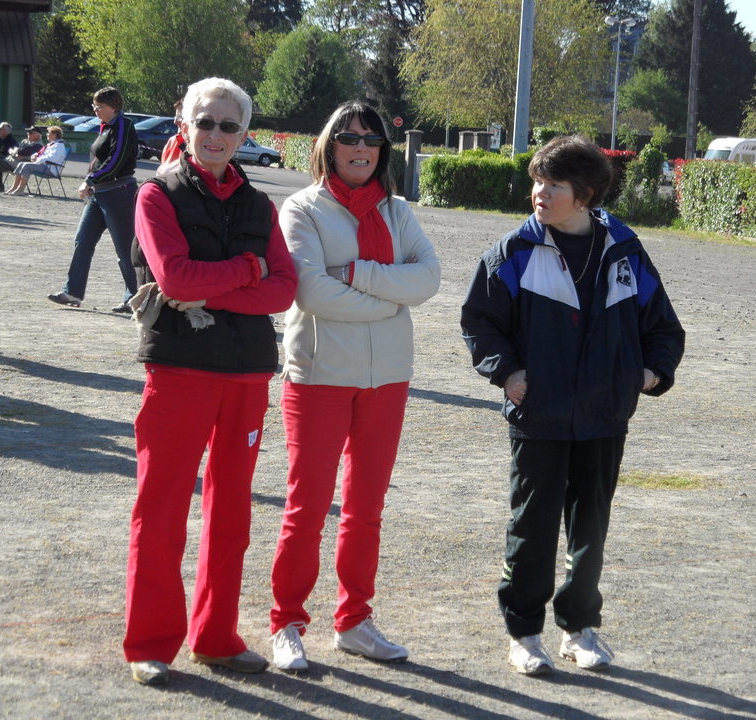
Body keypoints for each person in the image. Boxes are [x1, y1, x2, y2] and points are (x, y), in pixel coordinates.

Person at [460, 135, 685, 676]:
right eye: (538, 181)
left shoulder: (625, 249)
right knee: (530, 528)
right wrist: (508, 373)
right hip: (539, 416)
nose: (539, 192)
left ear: (583, 194)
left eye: (553, 184)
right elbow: (479, 323)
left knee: (590, 529)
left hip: (605, 417)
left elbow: (662, 325)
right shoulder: (513, 252)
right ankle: (524, 634)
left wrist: (650, 374)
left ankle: (579, 628)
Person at [123, 77, 297, 687]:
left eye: (229, 125)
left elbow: (286, 286)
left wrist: (218, 284)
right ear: (184, 125)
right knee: (162, 507)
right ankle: (150, 642)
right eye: (206, 122)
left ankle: (216, 636)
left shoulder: (260, 205)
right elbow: (173, 279)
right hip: (178, 371)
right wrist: (248, 270)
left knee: (232, 513)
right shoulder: (156, 195)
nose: (216, 134)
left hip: (247, 373)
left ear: (245, 134)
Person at [268, 101, 441, 673]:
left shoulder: (396, 211)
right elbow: (311, 293)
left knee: (365, 509)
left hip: (387, 378)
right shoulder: (302, 208)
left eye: (371, 139)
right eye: (349, 137)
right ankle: (287, 621)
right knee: (308, 506)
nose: (360, 147)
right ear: (329, 144)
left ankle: (355, 621)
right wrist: (390, 297)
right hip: (319, 375)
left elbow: (430, 278)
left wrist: (360, 276)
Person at [47, 87, 138, 313]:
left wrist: (90, 179)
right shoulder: (105, 127)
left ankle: (135, 297)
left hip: (119, 193)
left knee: (125, 248)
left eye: (100, 106)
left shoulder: (124, 126)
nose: (96, 110)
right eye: (94, 106)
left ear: (114, 106)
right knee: (83, 240)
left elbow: (116, 159)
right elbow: (99, 160)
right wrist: (93, 181)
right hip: (100, 193)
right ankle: (73, 292)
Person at [3, 126, 68, 195]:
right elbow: (39, 153)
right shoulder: (51, 145)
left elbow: (51, 158)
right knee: (21, 164)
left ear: (54, 135)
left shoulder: (59, 146)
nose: (47, 134)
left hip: (50, 169)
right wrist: (34, 156)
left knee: (26, 166)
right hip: (43, 165)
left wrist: (37, 159)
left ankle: (20, 190)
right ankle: (14, 187)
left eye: (49, 133)